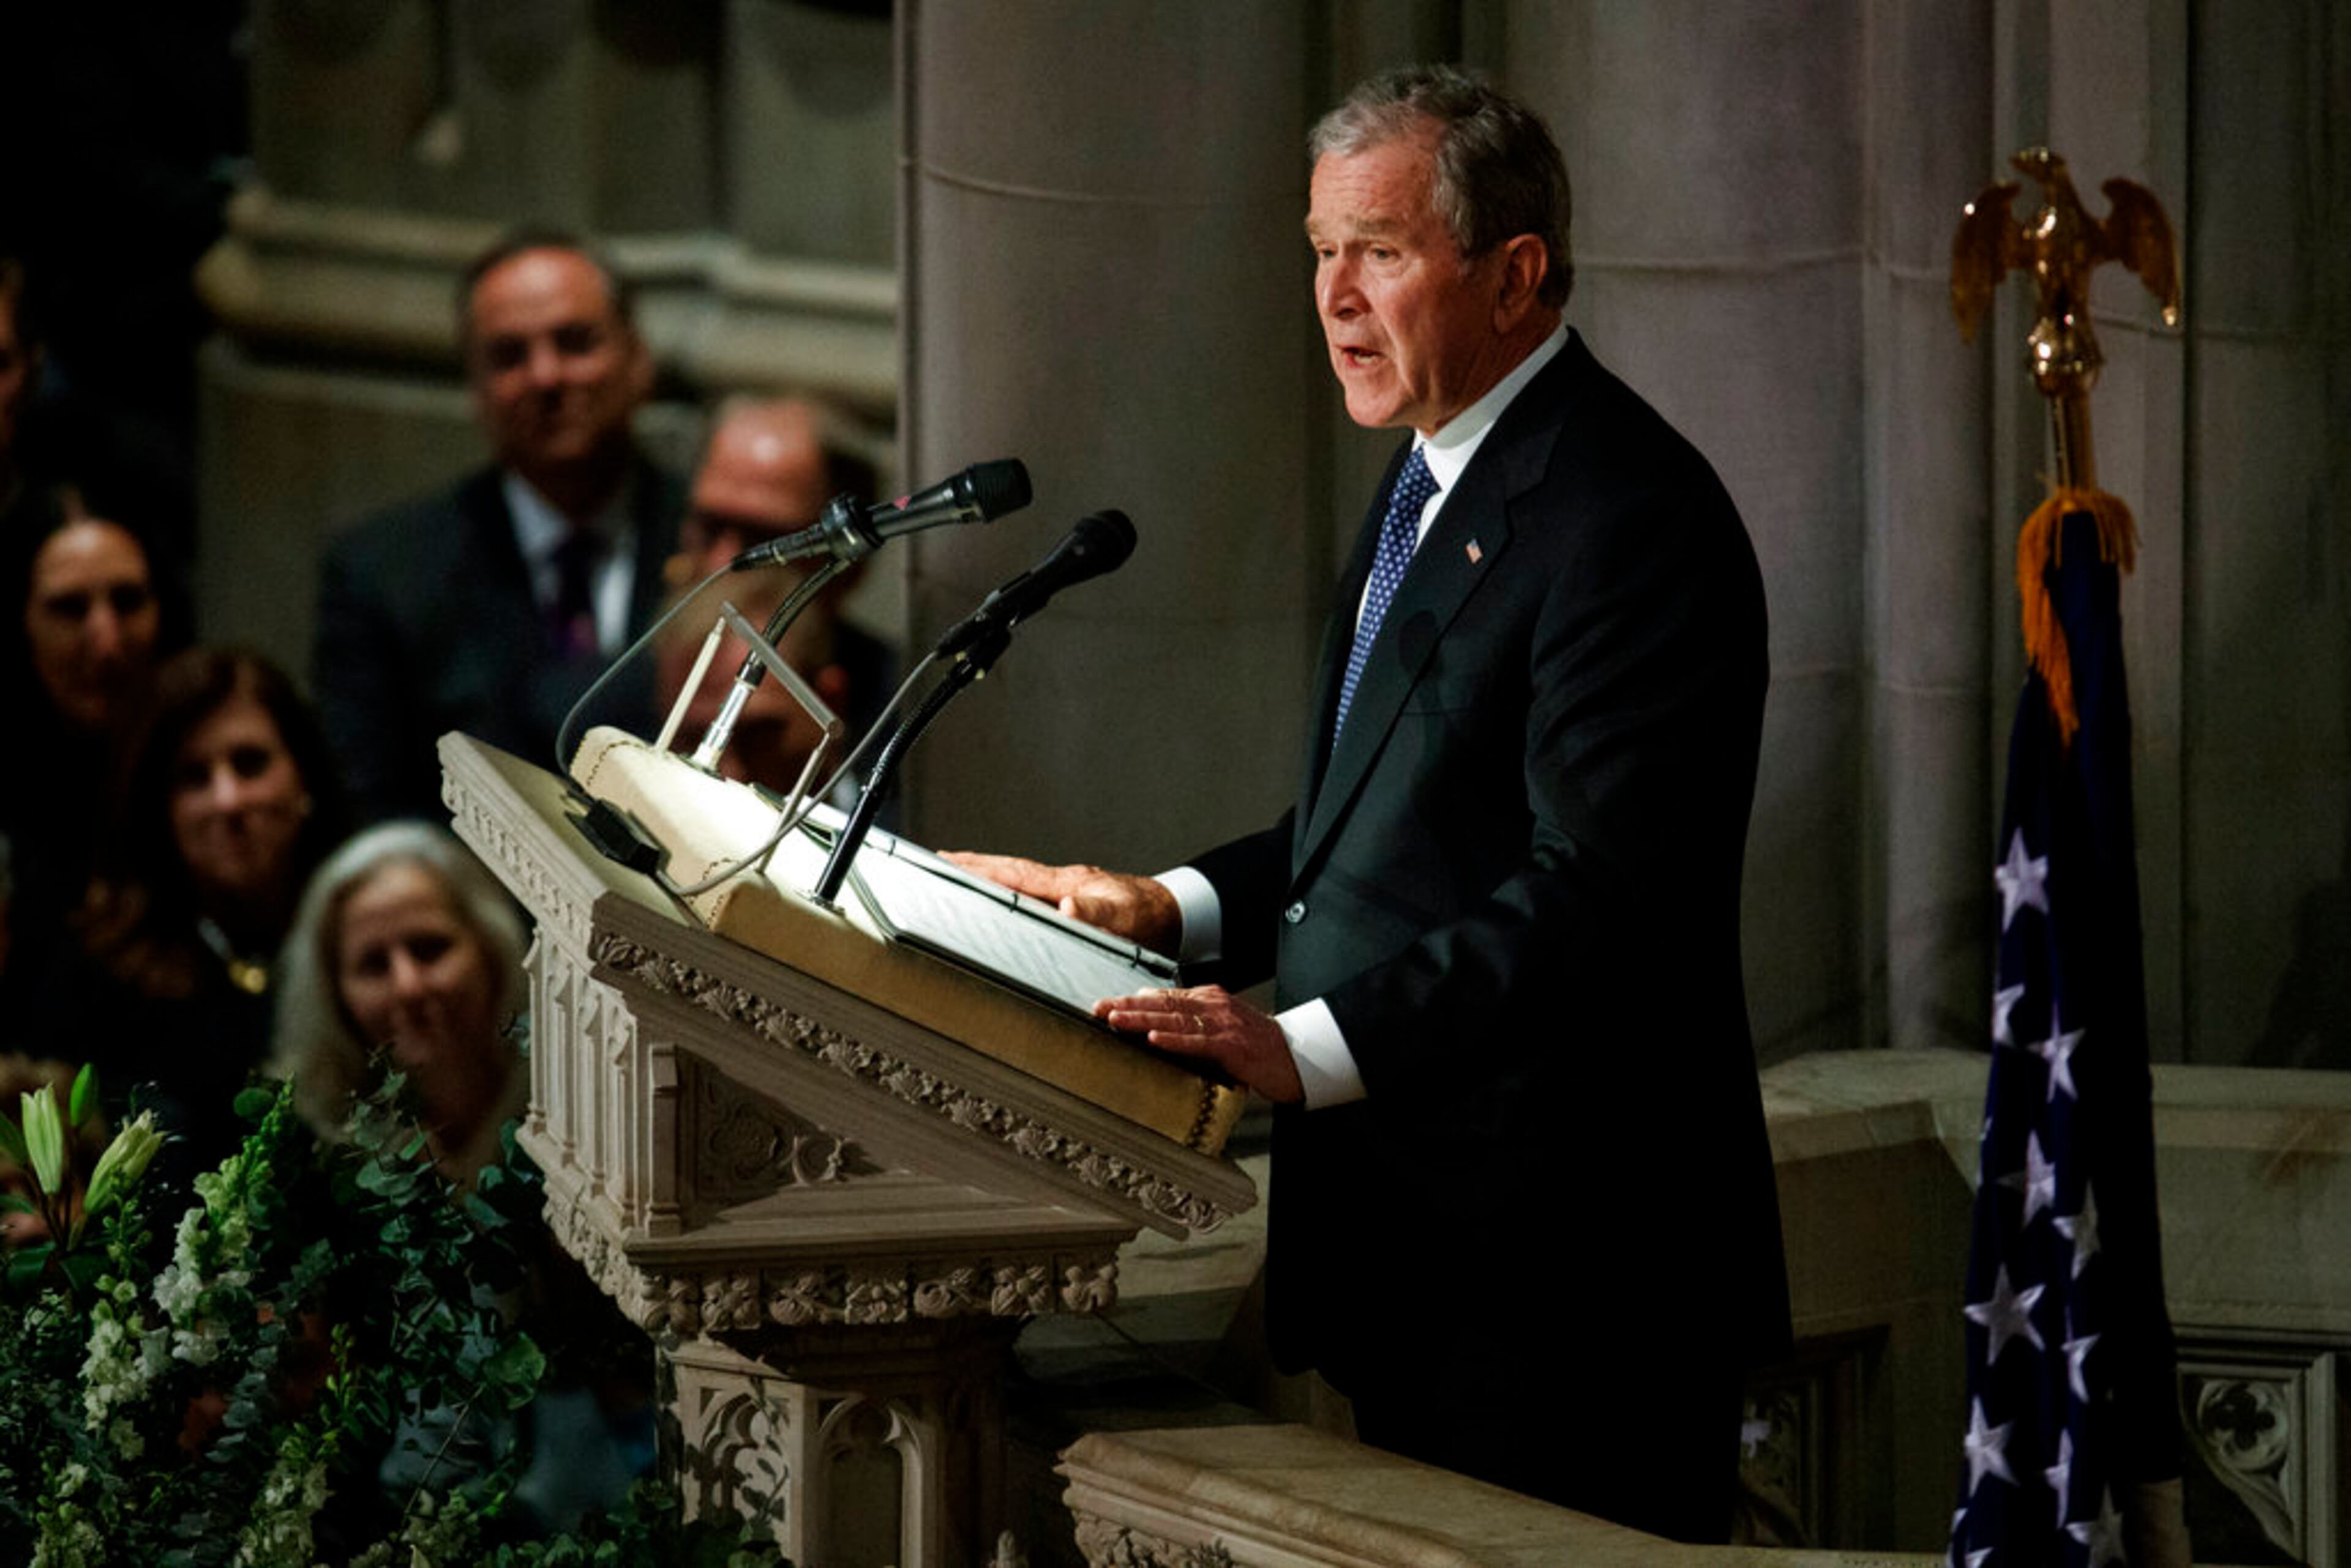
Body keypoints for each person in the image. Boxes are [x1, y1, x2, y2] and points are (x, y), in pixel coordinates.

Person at [951, 66, 1789, 1542]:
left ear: (1513, 273)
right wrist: (1171, 908)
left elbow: (1589, 891)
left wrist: (1297, 1046)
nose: (1333, 296)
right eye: (1317, 250)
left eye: (1380, 252)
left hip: (1565, 1275)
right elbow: (1376, 824)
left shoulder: (1626, 515)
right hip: (1414, 1248)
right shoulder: (1425, 482)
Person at [313, 229, 683, 824]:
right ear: (476, 388)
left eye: (575, 342)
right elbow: (372, 813)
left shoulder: (718, 543)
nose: (546, 377)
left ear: (638, 358)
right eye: (509, 356)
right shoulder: (386, 575)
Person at [65, 647, 348, 1185]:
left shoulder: (369, 944)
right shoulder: (106, 984)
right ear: (159, 810)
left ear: (303, 776)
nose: (228, 799)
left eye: (250, 763)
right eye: (194, 777)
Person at [654, 396, 894, 792]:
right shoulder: (593, 712)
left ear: (853, 561)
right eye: (709, 527)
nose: (725, 564)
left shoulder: (919, 729)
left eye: (764, 541)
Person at [271, 821, 527, 1183]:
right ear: (335, 992)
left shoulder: (569, 1102)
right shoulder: (307, 1146)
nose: (409, 987)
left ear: (490, 948)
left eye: (429, 949)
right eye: (374, 965)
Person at [0, 498, 174, 1003]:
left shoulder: (203, 776)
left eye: (128, 601)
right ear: (20, 621)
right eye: (70, 608)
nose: (107, 640)